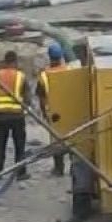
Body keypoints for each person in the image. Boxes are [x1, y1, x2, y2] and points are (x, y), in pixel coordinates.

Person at [0, 49, 29, 177]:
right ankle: (21, 172)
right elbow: (27, 97)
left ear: (5, 62)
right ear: (15, 62)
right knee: (19, 145)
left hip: (0, 116)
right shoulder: (21, 76)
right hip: (17, 116)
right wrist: (24, 110)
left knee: (0, 145)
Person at [37, 44, 71, 178]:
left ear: (49, 57)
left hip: (54, 113)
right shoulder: (69, 70)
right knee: (75, 138)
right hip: (70, 109)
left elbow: (41, 97)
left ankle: (59, 169)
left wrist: (44, 114)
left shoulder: (44, 75)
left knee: (56, 141)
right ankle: (75, 168)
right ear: (61, 56)